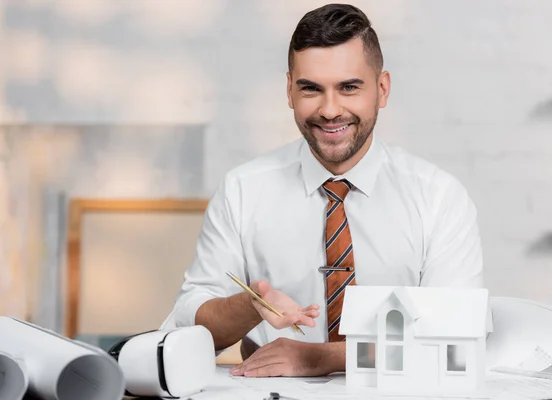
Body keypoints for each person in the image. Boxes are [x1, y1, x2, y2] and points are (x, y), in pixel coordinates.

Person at [163, 3, 483, 378]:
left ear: (382, 89)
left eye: (349, 87)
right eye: (311, 89)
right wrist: (249, 307)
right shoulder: (242, 190)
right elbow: (188, 325)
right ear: (289, 91)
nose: (330, 110)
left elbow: (458, 337)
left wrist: (318, 359)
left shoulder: (438, 197)